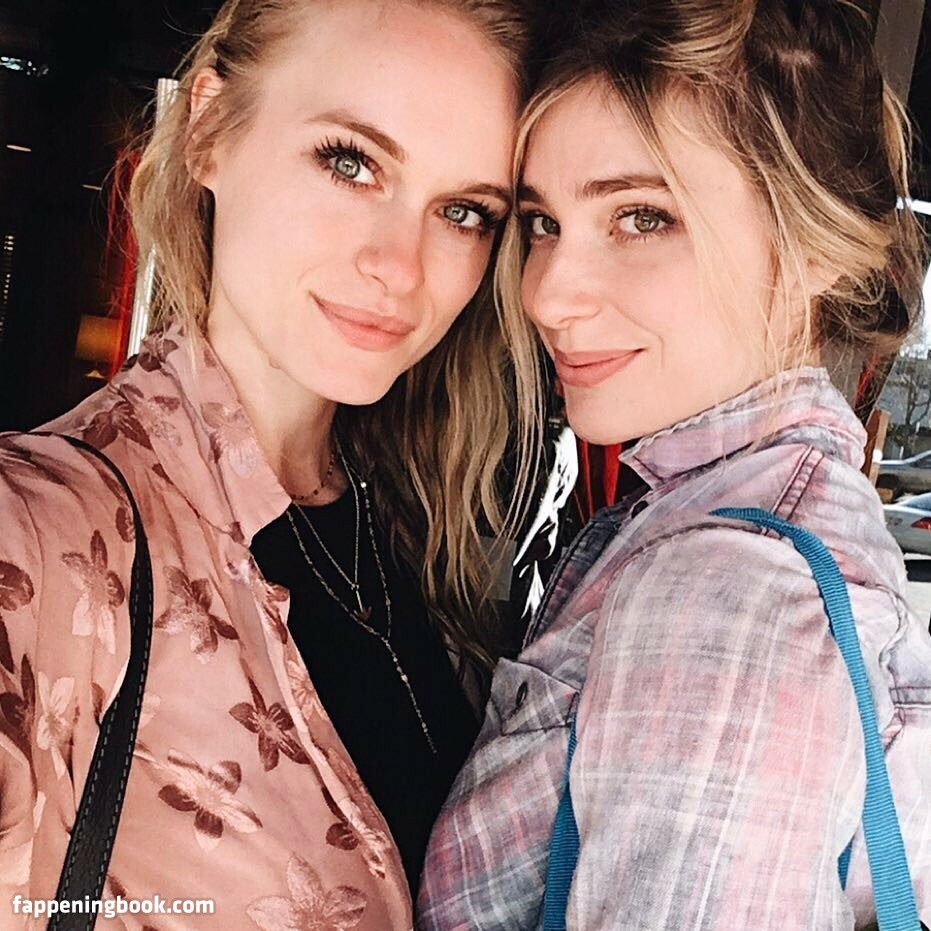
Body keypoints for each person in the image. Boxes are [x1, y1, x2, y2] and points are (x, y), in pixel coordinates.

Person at [0, 0, 539, 926]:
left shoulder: (412, 520)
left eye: (462, 212)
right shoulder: (54, 529)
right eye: (350, 162)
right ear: (209, 128)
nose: (401, 266)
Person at [417, 0, 931, 927]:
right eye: (541, 222)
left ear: (813, 248)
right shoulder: (769, 517)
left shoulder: (726, 589)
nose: (547, 294)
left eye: (641, 217)